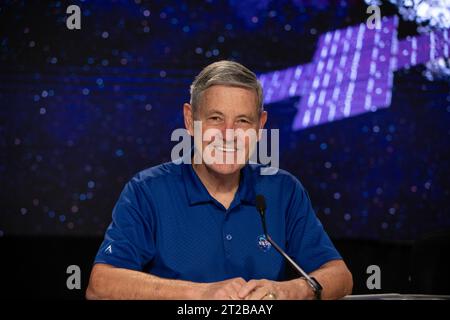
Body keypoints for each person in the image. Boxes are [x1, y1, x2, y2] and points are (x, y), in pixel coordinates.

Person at [86, 60, 353, 300]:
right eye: (215, 118)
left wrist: (292, 290)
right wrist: (200, 293)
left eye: (243, 121)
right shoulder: (146, 191)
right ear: (190, 121)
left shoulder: (283, 189)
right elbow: (101, 286)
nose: (229, 134)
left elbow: (341, 277)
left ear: (260, 126)